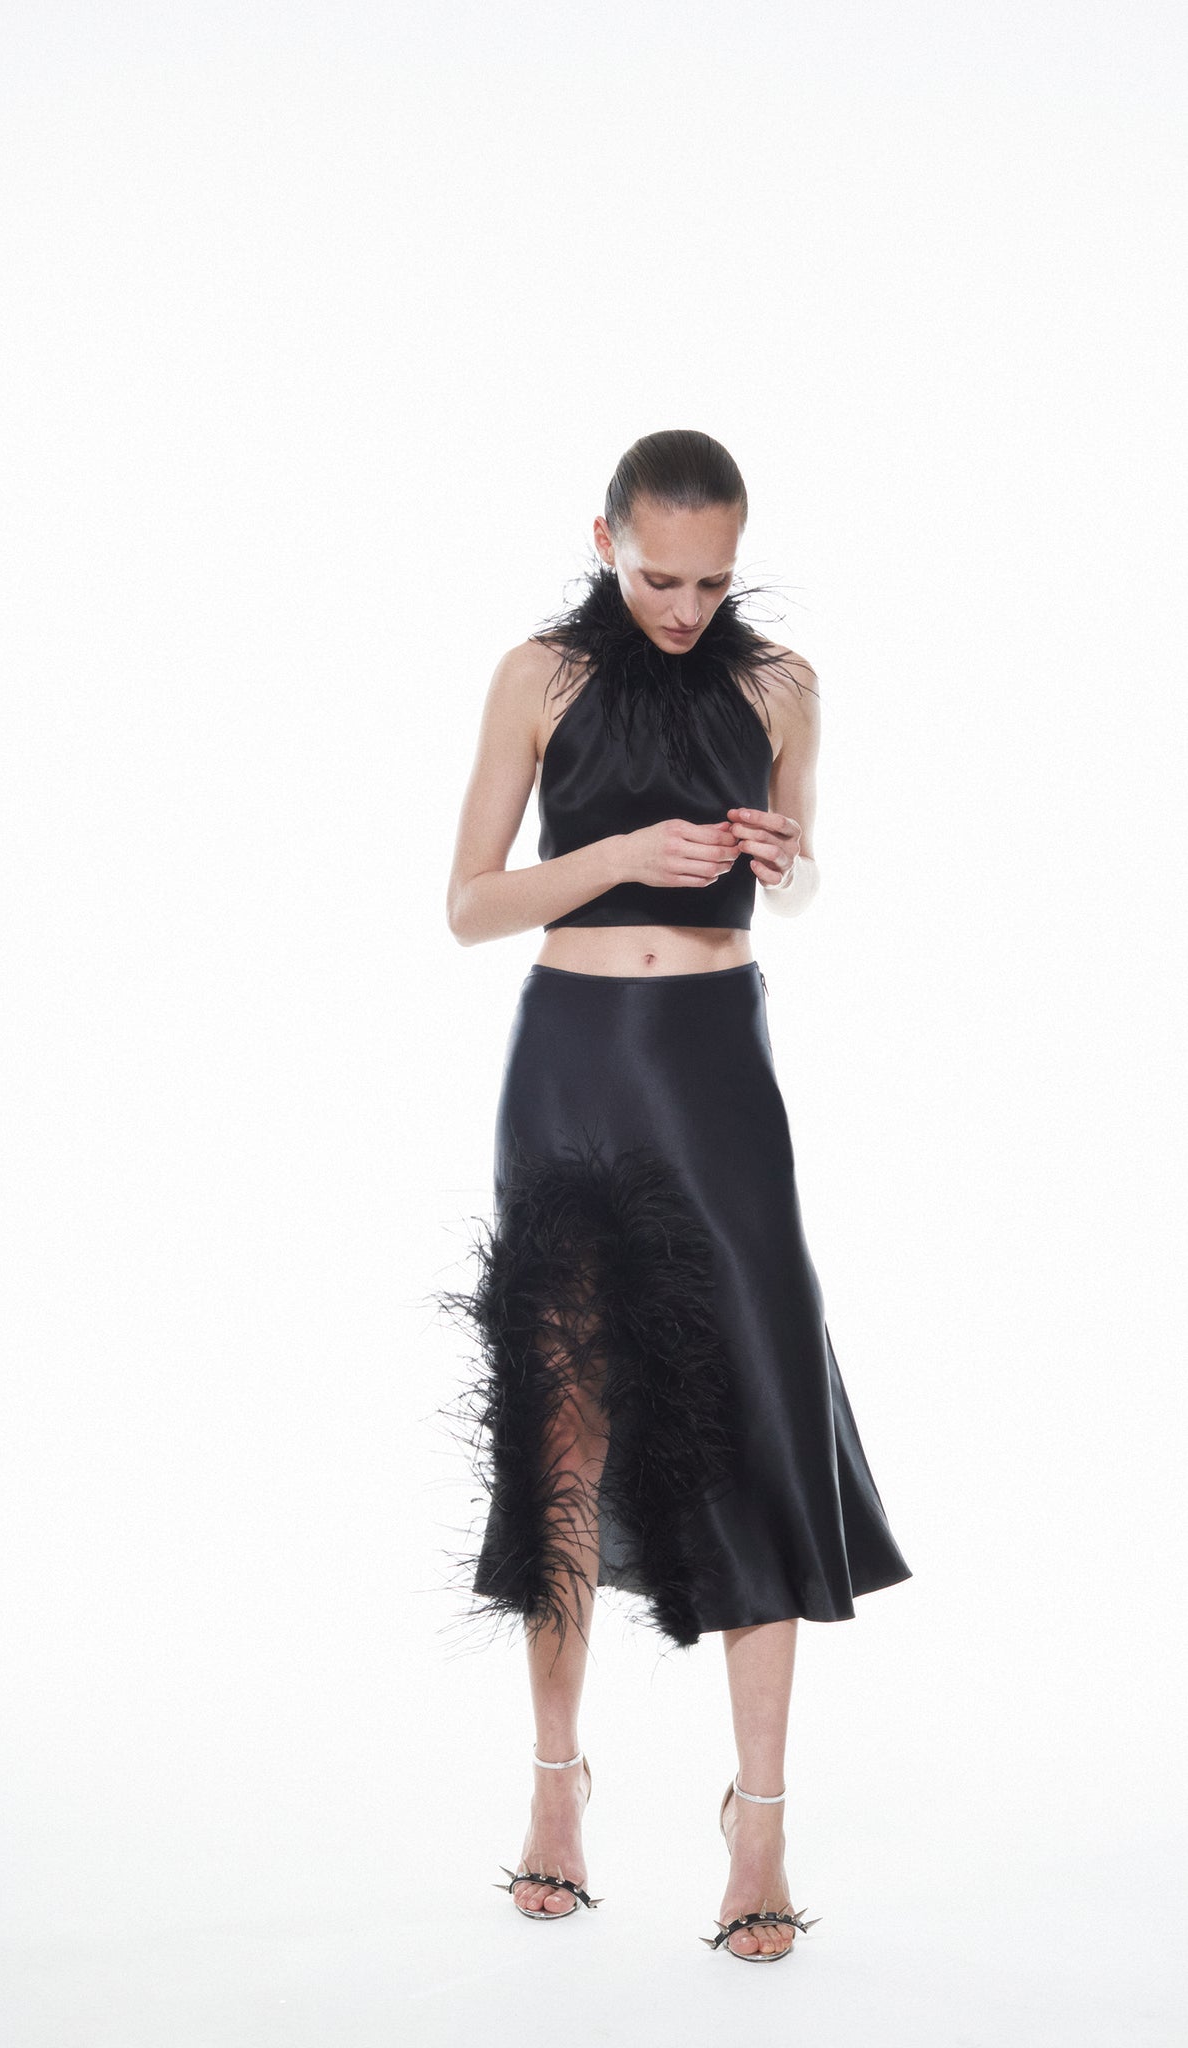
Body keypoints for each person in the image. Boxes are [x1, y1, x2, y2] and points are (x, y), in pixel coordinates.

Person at [438, 429, 912, 1963]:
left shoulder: (780, 687)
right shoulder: (537, 677)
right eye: (659, 578)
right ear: (604, 540)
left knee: (754, 1407)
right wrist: (618, 853)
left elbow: (807, 877)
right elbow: (468, 907)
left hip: (713, 1064)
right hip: (573, 1064)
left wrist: (784, 861)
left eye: (712, 581)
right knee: (562, 1425)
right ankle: (554, 1789)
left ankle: (756, 1821)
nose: (686, 607)